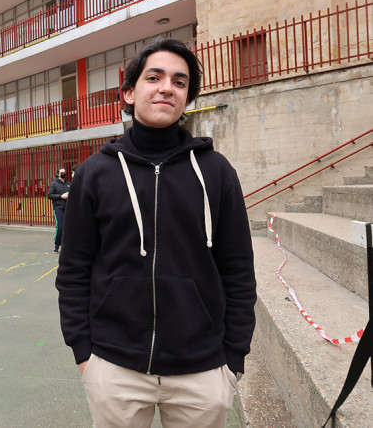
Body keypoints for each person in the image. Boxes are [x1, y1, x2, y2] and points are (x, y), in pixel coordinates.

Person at [55, 38, 257, 428]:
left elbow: (237, 269)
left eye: (179, 82)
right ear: (129, 93)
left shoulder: (216, 171)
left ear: (187, 99)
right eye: (154, 77)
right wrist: (84, 352)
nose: (167, 87)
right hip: (114, 367)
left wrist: (233, 357)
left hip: (203, 370)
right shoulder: (95, 173)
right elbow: (74, 268)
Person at [47, 167, 70, 253]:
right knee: (60, 226)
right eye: (61, 172)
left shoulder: (69, 184)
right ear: (58, 174)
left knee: (68, 228)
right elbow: (50, 195)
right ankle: (57, 245)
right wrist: (61, 196)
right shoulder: (54, 184)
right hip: (58, 208)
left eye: (64, 172)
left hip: (68, 208)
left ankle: (66, 245)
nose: (63, 173)